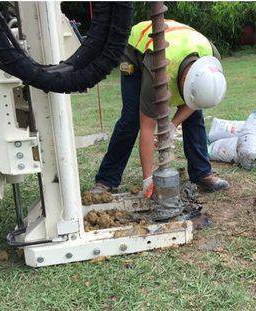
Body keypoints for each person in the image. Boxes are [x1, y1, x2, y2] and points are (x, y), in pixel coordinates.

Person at [92, 20, 229, 196]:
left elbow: (195, 103)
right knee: (131, 119)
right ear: (183, 79)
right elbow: (147, 127)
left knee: (194, 117)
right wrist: (148, 179)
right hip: (137, 50)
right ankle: (106, 179)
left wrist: (172, 126)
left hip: (176, 47)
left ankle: (202, 173)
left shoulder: (210, 59)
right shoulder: (160, 70)